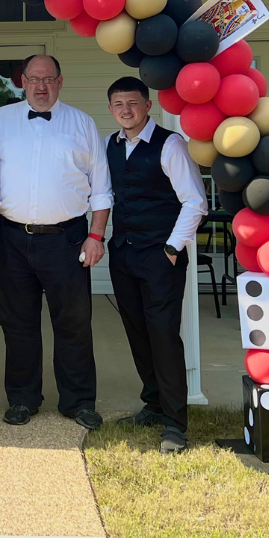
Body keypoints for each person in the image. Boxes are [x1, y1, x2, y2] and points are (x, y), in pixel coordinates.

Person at [0, 54, 113, 430]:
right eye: (34, 79)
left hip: (67, 240)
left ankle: (78, 401)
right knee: (17, 323)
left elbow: (101, 189)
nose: (41, 86)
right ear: (21, 81)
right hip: (11, 238)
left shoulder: (82, 124)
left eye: (49, 79)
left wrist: (95, 236)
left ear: (60, 81)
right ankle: (23, 398)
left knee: (73, 323)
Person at [105, 76, 208, 455]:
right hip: (124, 253)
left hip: (159, 255)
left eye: (132, 103)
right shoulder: (111, 145)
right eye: (118, 104)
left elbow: (195, 202)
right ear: (112, 109)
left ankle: (175, 424)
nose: (126, 110)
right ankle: (153, 404)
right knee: (137, 330)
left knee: (163, 334)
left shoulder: (171, 145)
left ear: (148, 105)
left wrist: (171, 247)